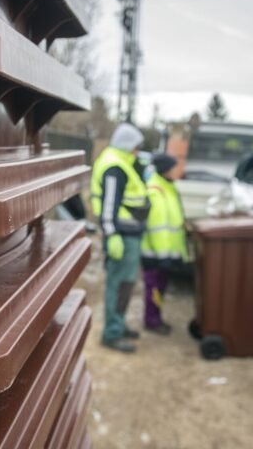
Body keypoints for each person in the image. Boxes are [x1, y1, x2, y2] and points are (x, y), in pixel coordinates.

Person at [91, 123, 151, 353]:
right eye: (136, 147)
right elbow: (108, 207)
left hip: (128, 236)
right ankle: (112, 333)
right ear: (128, 146)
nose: (138, 152)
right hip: (122, 238)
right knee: (119, 285)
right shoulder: (115, 167)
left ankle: (119, 324)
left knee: (125, 285)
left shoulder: (120, 162)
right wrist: (112, 234)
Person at [140, 153, 189, 335]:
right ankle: (152, 321)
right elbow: (157, 227)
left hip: (166, 253)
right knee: (154, 289)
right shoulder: (156, 190)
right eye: (173, 168)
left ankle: (156, 318)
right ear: (164, 170)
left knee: (160, 288)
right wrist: (163, 256)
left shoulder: (168, 187)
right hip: (156, 255)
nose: (176, 171)